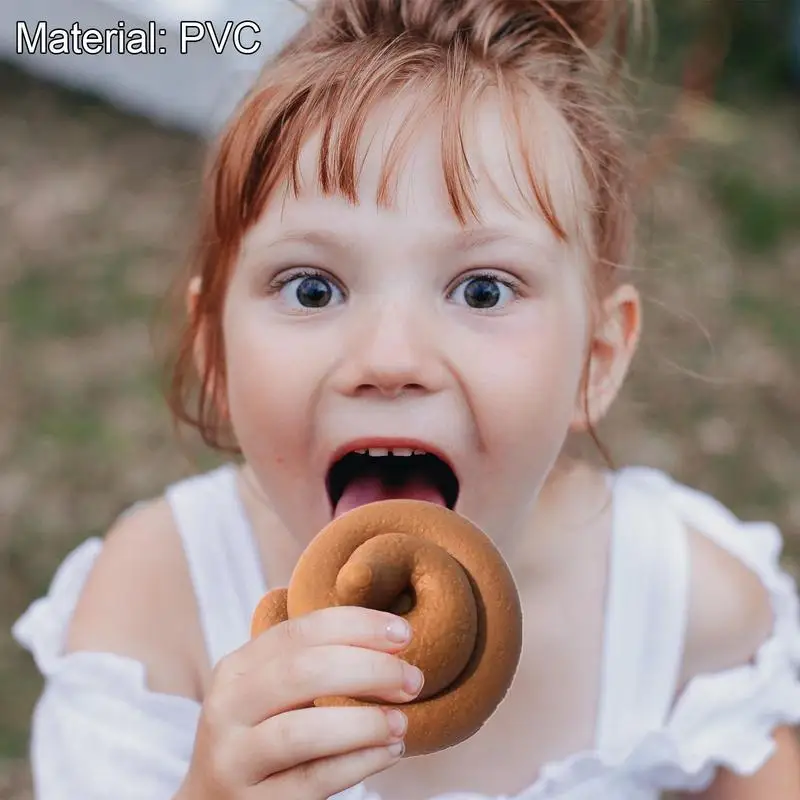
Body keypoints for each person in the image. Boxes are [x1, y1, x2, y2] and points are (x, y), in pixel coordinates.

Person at [12, 1, 800, 798]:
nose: (390, 359)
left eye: (484, 290)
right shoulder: (155, 605)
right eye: (313, 288)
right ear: (214, 346)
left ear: (595, 361)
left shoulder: (687, 608)